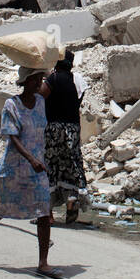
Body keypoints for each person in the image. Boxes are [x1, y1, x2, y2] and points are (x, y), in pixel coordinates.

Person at [0, 66, 62, 279]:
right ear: (25, 82)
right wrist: (30, 159)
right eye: (35, 79)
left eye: (40, 79)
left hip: (37, 169)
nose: (39, 83)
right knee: (0, 210)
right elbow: (12, 137)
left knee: (44, 212)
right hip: (15, 169)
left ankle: (43, 263)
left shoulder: (40, 103)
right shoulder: (11, 105)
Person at [42, 50, 90, 225]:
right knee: (71, 165)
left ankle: (48, 214)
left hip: (54, 128)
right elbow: (77, 100)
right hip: (73, 128)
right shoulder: (77, 80)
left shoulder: (53, 80)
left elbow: (41, 95)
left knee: (51, 167)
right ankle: (71, 203)